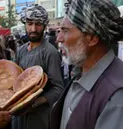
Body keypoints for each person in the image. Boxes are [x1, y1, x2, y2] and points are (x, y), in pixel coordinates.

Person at [50, 0, 123, 129]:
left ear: (92, 39)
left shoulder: (116, 95)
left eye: (66, 31)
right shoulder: (79, 72)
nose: (59, 39)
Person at [13, 4, 64, 129]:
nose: (33, 29)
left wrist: (35, 103)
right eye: (30, 23)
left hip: (39, 118)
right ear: (25, 24)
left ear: (45, 25)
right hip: (19, 115)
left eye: (38, 24)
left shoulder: (50, 52)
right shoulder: (21, 50)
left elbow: (58, 89)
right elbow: (14, 79)